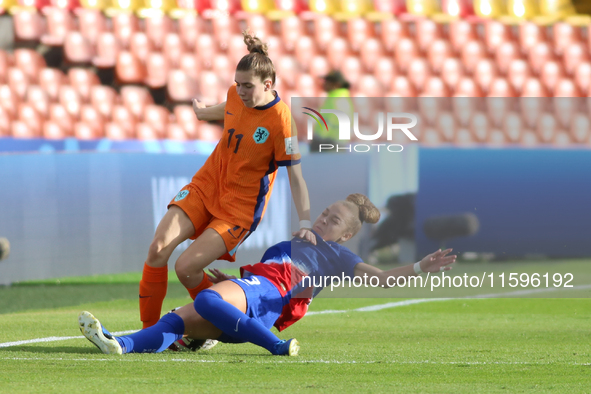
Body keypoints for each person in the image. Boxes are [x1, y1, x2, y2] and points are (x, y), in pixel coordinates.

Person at [79, 194, 457, 356]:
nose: (324, 218)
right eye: (325, 212)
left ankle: (277, 349)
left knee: (207, 299)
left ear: (347, 234)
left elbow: (383, 279)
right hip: (256, 302)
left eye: (334, 219)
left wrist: (424, 266)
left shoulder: (337, 254)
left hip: (267, 296)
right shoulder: (300, 240)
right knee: (177, 322)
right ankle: (120, 346)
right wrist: (232, 277)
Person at [138, 31, 316, 329]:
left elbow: (295, 177)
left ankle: (220, 319)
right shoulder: (237, 95)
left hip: (238, 209)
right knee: (158, 249)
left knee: (186, 269)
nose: (240, 91)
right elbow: (230, 108)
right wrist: (202, 113)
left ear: (267, 85)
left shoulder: (281, 121)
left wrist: (306, 223)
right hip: (206, 185)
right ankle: (147, 334)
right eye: (238, 84)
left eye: (248, 86)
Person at [309, 70, 355, 153]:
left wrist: (317, 141)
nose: (325, 84)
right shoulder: (341, 99)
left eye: (328, 82)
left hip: (329, 145)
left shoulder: (336, 101)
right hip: (336, 145)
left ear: (337, 84)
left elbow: (326, 125)